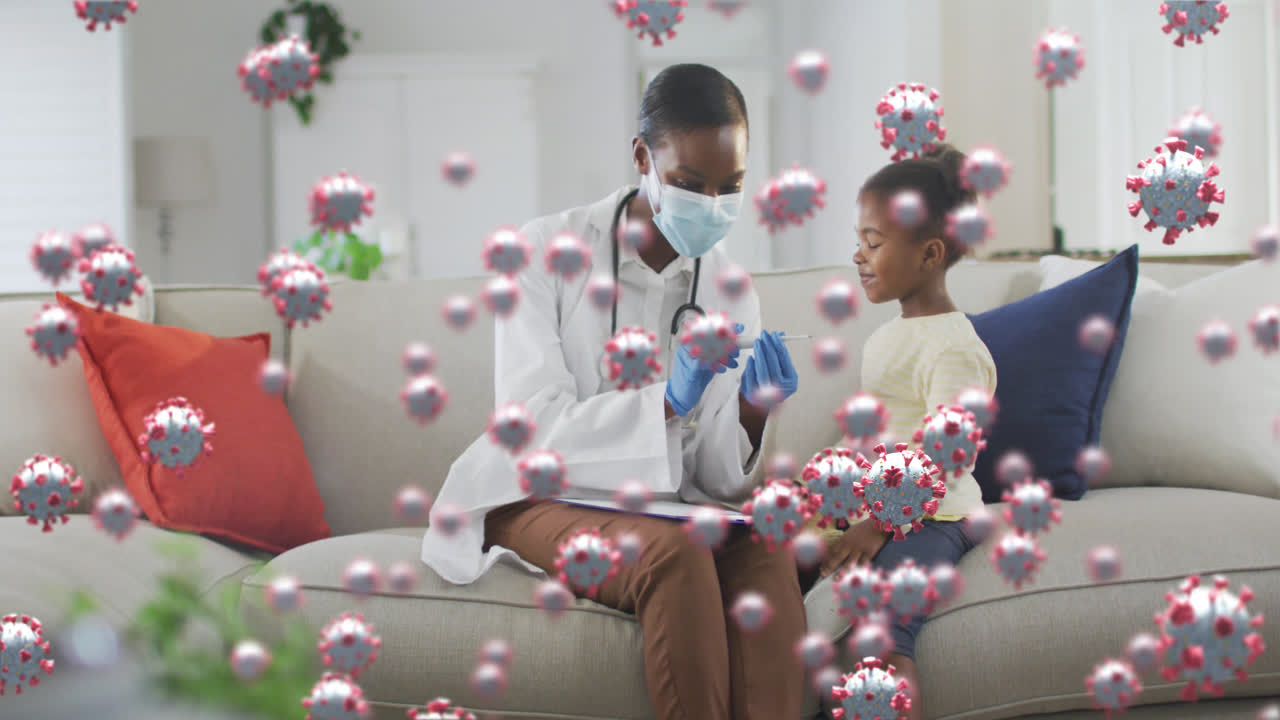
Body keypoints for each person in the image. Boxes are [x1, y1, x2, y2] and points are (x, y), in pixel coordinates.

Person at [421, 63, 807, 720]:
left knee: (767, 553)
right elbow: (532, 427)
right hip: (534, 494)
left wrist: (748, 410)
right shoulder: (543, 251)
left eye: (730, 187)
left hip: (664, 504)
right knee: (675, 558)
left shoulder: (732, 288)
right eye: (689, 184)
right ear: (641, 158)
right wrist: (667, 402)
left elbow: (713, 478)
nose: (711, 206)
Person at [798, 144, 997, 720]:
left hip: (934, 517)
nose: (858, 256)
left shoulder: (955, 348)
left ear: (930, 254)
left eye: (874, 243)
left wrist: (877, 524)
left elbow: (943, 457)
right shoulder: (888, 336)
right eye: (860, 241)